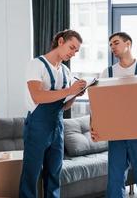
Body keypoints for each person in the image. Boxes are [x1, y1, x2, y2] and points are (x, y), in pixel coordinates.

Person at [91, 32, 137, 198]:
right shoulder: (107, 73)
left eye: (116, 43)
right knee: (115, 181)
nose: (112, 47)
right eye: (110, 45)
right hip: (116, 136)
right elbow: (98, 104)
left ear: (128, 44)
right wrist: (94, 127)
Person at [19, 29, 87, 198]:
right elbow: (37, 96)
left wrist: (75, 95)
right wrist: (69, 90)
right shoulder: (36, 64)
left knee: (54, 173)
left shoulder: (65, 71)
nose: (73, 53)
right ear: (61, 42)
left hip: (58, 125)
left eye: (76, 51)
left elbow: (63, 106)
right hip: (38, 125)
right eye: (71, 48)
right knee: (31, 173)